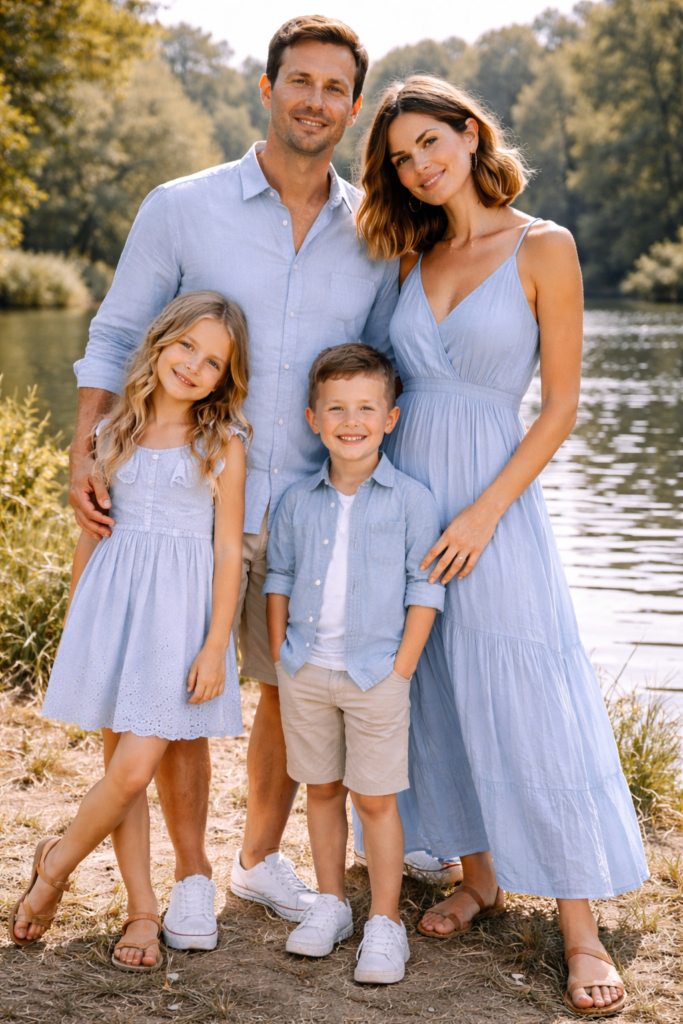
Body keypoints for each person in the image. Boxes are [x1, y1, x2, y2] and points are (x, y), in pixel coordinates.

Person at [66, 15, 422, 947]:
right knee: (174, 696)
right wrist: (82, 451)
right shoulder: (181, 205)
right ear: (265, 89)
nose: (314, 100)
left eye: (333, 88)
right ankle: (186, 877)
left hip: (311, 500)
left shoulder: (376, 231)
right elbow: (114, 335)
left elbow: (382, 365)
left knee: (285, 685)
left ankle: (259, 858)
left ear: (352, 105)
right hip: (184, 495)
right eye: (298, 81)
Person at [356, 76, 649, 1017]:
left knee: (525, 692)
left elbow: (559, 405)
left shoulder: (542, 245)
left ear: (469, 132)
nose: (420, 164)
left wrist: (483, 513)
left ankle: (578, 927)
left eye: (430, 142)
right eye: (402, 157)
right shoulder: (406, 256)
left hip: (495, 503)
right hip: (407, 498)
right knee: (430, 682)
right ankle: (477, 877)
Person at [9, 292, 249, 968]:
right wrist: (75, 620)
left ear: (226, 377)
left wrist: (214, 644)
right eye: (186, 347)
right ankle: (141, 912)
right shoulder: (112, 429)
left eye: (212, 361)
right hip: (112, 611)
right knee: (122, 771)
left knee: (137, 763)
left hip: (177, 624)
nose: (194, 366)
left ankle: (53, 866)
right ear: (160, 342)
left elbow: (228, 551)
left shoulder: (221, 443)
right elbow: (94, 533)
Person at [265, 344, 445, 984]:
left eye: (367, 407)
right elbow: (278, 575)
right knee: (321, 790)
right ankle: (332, 904)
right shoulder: (295, 500)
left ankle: (385, 923)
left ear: (390, 418)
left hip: (377, 676)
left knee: (374, 800)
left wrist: (401, 668)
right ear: (313, 419)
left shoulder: (411, 502)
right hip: (307, 669)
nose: (351, 420)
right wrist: (285, 652)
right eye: (336, 407)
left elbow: (425, 589)